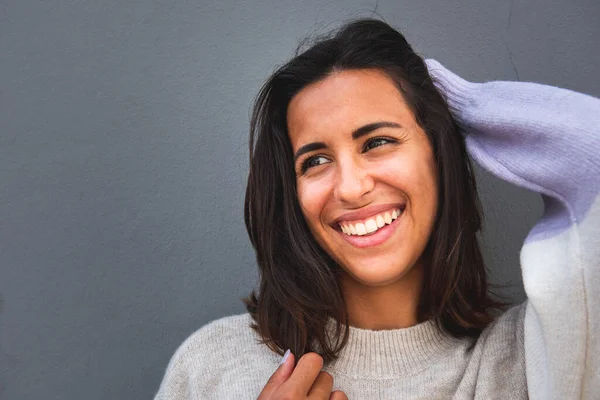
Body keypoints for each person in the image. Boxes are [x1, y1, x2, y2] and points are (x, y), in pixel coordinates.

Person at [153, 18, 599, 399]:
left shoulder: (536, 359)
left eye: (378, 141)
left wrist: (457, 100)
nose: (350, 187)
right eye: (316, 161)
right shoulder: (213, 367)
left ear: (438, 154)